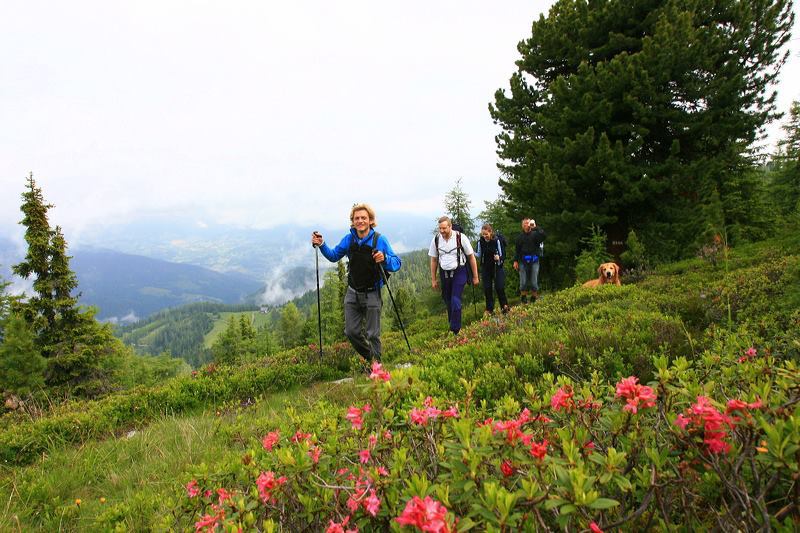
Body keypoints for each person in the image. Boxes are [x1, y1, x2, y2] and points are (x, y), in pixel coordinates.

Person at [311, 203, 401, 363]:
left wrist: (385, 259)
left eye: (363, 218)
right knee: (351, 332)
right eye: (356, 218)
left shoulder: (379, 240)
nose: (360, 221)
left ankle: (376, 368)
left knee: (373, 334)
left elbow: (396, 263)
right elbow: (333, 256)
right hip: (352, 292)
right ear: (352, 221)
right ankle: (371, 359)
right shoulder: (349, 239)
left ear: (370, 220)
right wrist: (322, 244)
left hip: (373, 292)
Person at [429, 216, 479, 334]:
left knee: (455, 299)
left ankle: (455, 330)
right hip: (444, 273)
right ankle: (453, 324)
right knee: (448, 300)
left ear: (450, 226)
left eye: (444, 228)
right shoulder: (436, 239)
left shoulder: (460, 238)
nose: (442, 231)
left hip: (460, 271)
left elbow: (471, 257)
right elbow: (434, 260)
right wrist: (433, 279)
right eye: (440, 229)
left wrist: (475, 276)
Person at [476, 223, 509, 315]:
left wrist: (499, 258)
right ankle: (489, 309)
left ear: (490, 232)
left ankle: (504, 306)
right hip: (486, 267)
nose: (485, 236)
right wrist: (469, 252)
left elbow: (502, 254)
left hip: (497, 266)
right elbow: (478, 254)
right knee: (487, 288)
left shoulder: (496, 241)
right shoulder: (480, 242)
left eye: (486, 234)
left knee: (499, 287)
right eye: (483, 234)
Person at [513, 218, 546, 303]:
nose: (527, 225)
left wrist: (536, 227)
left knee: (534, 281)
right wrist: (515, 261)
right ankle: (523, 297)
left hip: (534, 260)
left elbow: (543, 236)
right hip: (522, 261)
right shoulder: (519, 237)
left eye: (528, 223)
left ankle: (534, 297)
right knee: (523, 281)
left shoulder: (536, 235)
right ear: (522, 226)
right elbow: (517, 250)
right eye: (525, 224)